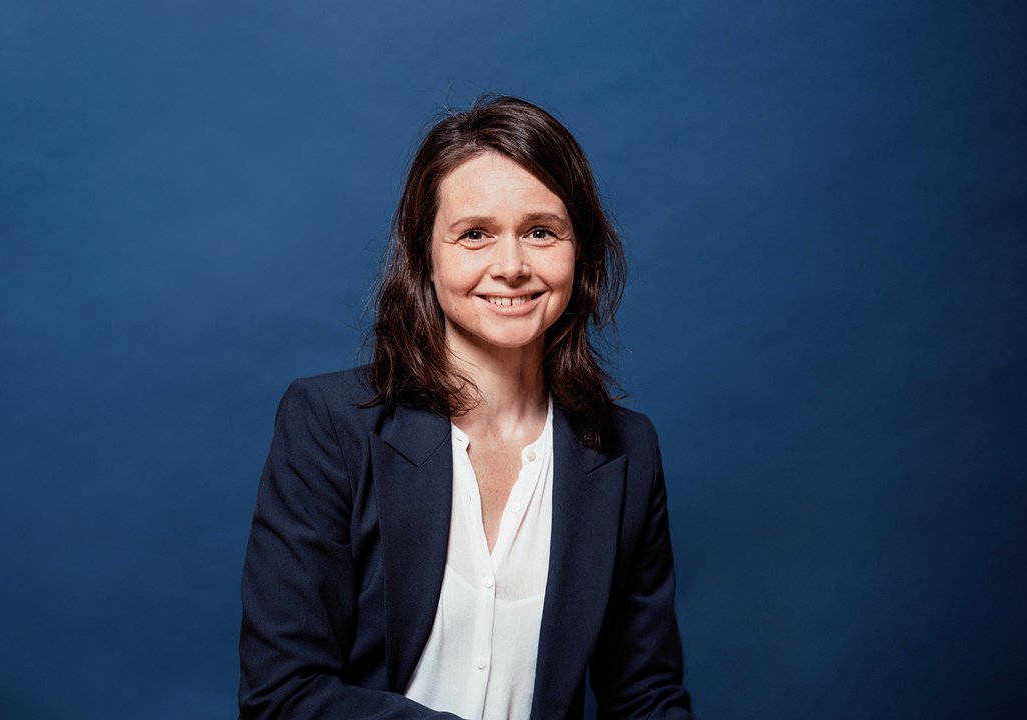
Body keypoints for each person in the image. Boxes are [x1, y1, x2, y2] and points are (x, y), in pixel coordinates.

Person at [238, 95, 693, 720]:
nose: (511, 267)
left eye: (541, 232)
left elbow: (645, 697)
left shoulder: (626, 451)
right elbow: (282, 697)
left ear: (578, 249)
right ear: (426, 254)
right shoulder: (329, 425)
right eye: (475, 234)